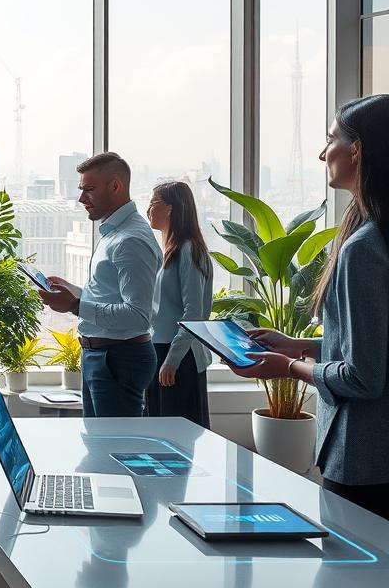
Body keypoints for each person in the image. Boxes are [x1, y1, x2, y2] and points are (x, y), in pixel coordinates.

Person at [227, 95, 389, 519]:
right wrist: (299, 345)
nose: (322, 152)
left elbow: (364, 377)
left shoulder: (364, 249)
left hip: (363, 461)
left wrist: (288, 368)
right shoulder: (371, 235)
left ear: (357, 150)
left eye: (331, 139)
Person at [39, 152, 161, 418]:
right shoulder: (113, 233)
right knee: (99, 447)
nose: (81, 198)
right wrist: (76, 293)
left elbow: (138, 316)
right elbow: (112, 296)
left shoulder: (130, 240)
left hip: (118, 358)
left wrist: (74, 305)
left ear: (115, 186)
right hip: (104, 355)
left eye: (89, 190)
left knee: (114, 449)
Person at [145, 181, 213, 428]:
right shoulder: (169, 251)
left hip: (179, 357)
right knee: (159, 436)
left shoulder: (189, 251)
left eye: (153, 203)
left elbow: (193, 313)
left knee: (178, 438)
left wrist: (172, 360)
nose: (148, 210)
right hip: (162, 352)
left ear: (171, 208)